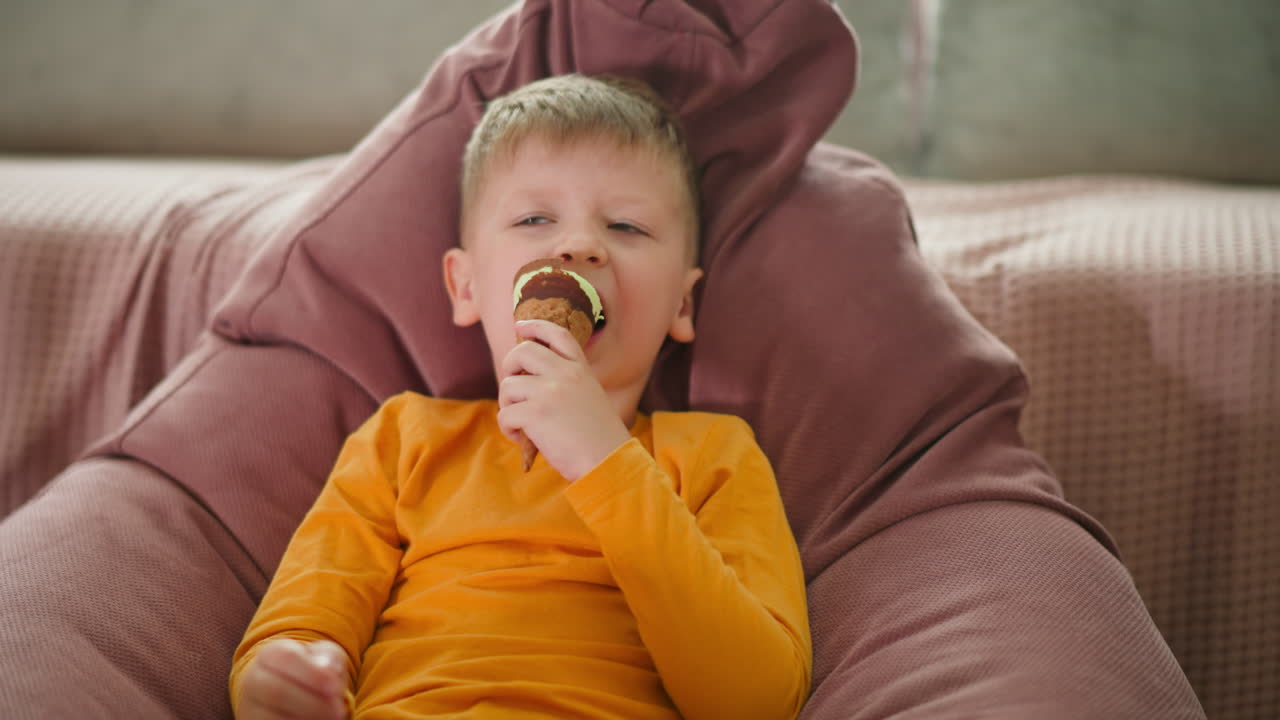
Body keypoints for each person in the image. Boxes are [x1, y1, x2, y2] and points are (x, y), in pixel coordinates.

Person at [228, 73, 811, 720]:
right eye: (535, 219)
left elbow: (756, 701)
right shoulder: (404, 440)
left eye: (626, 226)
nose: (579, 244)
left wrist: (605, 462)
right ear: (467, 285)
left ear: (681, 301)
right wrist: (283, 680)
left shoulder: (712, 457)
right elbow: (305, 620)